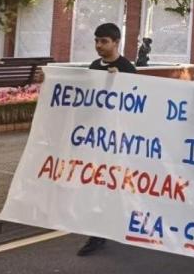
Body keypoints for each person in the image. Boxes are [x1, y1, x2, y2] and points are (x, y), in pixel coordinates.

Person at [76, 22, 138, 257]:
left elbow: (135, 101)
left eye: (104, 41)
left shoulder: (126, 68)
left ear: (116, 42)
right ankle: (97, 233)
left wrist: (119, 81)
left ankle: (115, 224)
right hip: (95, 137)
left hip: (116, 138)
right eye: (96, 41)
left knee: (112, 186)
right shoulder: (94, 66)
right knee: (96, 185)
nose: (99, 46)